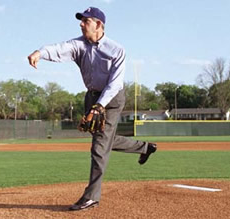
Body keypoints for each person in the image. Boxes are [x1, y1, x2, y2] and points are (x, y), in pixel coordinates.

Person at [28, 7, 157, 211]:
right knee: (104, 140)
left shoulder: (116, 50)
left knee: (99, 147)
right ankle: (145, 147)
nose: (81, 24)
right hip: (92, 96)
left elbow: (114, 84)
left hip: (112, 98)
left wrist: (99, 106)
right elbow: (60, 48)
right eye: (81, 20)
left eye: (86, 21)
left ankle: (92, 196)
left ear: (98, 25)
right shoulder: (79, 44)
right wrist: (40, 53)